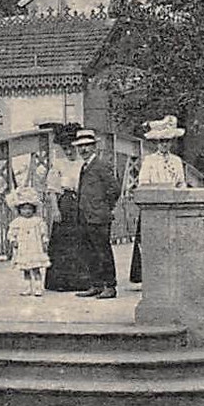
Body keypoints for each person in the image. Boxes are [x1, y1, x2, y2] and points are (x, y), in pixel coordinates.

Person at [129, 115, 189, 287]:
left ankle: (172, 276)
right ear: (156, 143)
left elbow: (181, 182)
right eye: (161, 141)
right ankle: (152, 278)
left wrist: (181, 191)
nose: (164, 144)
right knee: (152, 245)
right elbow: (143, 183)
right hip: (154, 208)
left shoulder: (177, 161)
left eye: (168, 141)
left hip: (173, 207)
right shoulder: (149, 161)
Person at [72, 128, 122, 299]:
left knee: (103, 251)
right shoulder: (85, 166)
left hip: (99, 216)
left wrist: (104, 206)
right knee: (89, 251)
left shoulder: (101, 166)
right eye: (80, 147)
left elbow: (114, 189)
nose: (83, 150)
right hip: (85, 216)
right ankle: (96, 284)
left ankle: (110, 286)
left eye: (87, 146)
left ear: (94, 147)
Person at [42, 125, 89, 291]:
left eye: (71, 149)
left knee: (82, 240)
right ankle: (61, 282)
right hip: (66, 203)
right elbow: (52, 190)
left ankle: (82, 281)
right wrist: (55, 209)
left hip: (82, 202)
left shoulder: (83, 163)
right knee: (63, 243)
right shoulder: (59, 164)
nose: (69, 152)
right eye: (65, 149)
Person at [6, 187, 50, 296]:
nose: (27, 211)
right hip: (24, 248)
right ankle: (27, 288)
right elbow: (11, 233)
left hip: (35, 247)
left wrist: (44, 241)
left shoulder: (38, 221)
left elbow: (43, 233)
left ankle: (38, 288)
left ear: (34, 209)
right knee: (26, 269)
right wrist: (13, 240)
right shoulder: (17, 222)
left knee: (36, 269)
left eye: (30, 209)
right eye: (24, 209)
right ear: (19, 210)